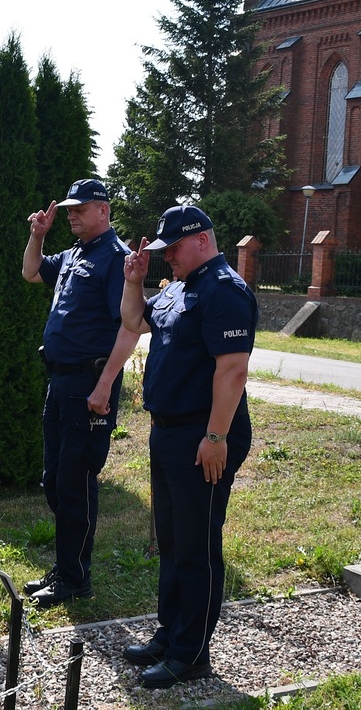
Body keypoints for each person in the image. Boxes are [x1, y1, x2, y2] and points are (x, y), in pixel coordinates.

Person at [119, 205, 257, 688]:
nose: (166, 258)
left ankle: (192, 652)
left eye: (172, 249)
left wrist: (216, 436)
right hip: (171, 432)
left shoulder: (224, 291)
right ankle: (170, 634)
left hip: (204, 437)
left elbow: (232, 370)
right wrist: (134, 280)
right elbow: (134, 322)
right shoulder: (180, 287)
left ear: (200, 240)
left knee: (197, 545)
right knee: (174, 540)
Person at [21, 178, 140, 608]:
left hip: (89, 386)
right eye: (68, 208)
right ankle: (66, 566)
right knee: (55, 480)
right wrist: (37, 235)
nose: (71, 214)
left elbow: (131, 326)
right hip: (61, 382)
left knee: (76, 482)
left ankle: (76, 579)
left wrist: (105, 384)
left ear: (103, 210)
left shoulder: (115, 258)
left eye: (80, 208)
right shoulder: (74, 253)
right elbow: (31, 272)